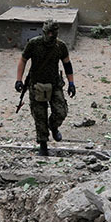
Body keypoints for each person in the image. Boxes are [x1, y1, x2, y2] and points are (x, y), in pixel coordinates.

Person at [15, 19, 76, 156]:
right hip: (37, 84)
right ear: (44, 32)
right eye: (48, 33)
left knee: (61, 111)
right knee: (39, 115)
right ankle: (43, 144)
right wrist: (19, 80)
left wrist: (71, 83)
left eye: (52, 33)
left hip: (54, 84)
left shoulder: (60, 46)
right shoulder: (34, 44)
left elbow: (67, 64)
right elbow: (23, 60)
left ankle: (53, 126)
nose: (50, 36)